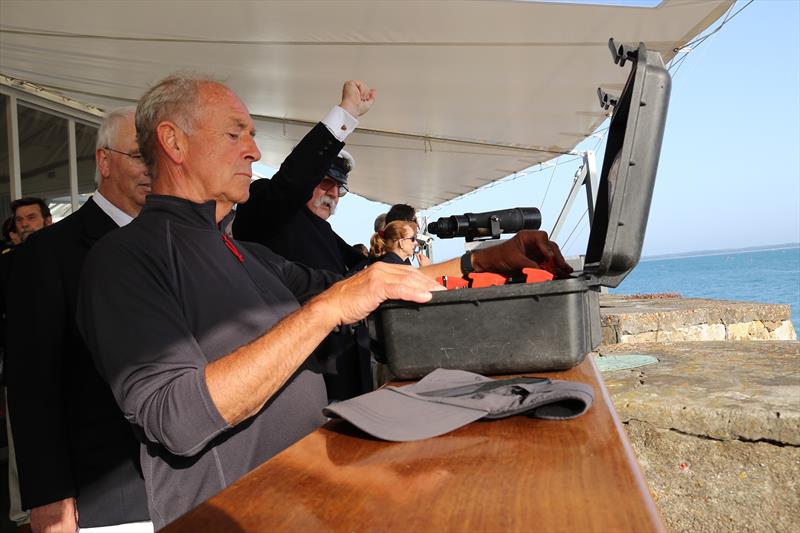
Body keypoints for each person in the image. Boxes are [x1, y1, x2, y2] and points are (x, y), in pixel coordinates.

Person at [75, 73, 571, 528]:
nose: (253, 150)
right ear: (173, 141)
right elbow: (176, 419)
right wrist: (327, 309)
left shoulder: (248, 254)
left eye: (251, 134)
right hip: (232, 516)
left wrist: (483, 262)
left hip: (306, 499)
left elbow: (361, 285)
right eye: (235, 134)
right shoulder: (123, 260)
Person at [5, 108, 152, 532]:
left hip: (190, 487)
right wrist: (49, 497)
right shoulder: (48, 254)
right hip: (109, 498)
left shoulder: (174, 243)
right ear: (104, 162)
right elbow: (33, 385)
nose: (154, 169)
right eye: (141, 156)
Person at [232, 85, 374, 401]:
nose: (333, 193)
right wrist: (345, 113)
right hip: (304, 381)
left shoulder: (324, 233)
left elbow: (363, 271)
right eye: (326, 182)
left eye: (340, 189)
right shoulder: (267, 210)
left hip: (347, 379)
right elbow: (290, 185)